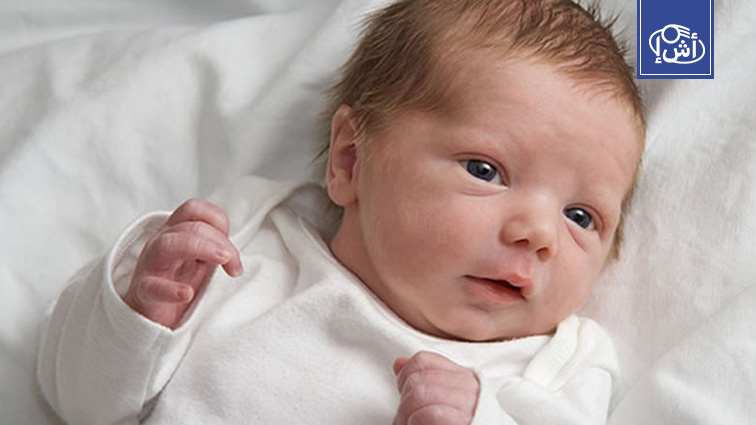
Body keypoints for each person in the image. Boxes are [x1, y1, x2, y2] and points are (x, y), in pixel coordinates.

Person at [37, 0, 645, 424]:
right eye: (485, 171)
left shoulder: (555, 369)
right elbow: (78, 401)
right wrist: (139, 311)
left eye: (581, 217)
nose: (539, 234)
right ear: (351, 160)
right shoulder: (246, 251)